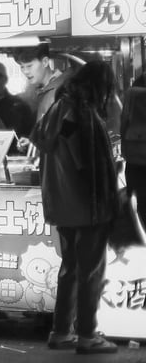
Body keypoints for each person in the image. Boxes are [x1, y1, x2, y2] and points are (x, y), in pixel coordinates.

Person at [32, 60, 119, 354]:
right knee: (90, 270)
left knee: (69, 268)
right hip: (86, 203)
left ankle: (61, 331)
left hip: (62, 204)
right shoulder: (77, 113)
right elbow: (82, 157)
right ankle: (87, 334)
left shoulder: (58, 108)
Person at [13, 44, 72, 152]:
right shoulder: (44, 91)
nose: (25, 72)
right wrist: (33, 142)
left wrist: (43, 143)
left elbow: (69, 131)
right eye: (22, 66)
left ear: (45, 62)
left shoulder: (64, 89)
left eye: (29, 66)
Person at [0, 61, 34, 156]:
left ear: (5, 79)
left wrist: (26, 144)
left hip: (13, 158)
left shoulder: (20, 106)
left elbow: (31, 136)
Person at [123, 74, 146, 232]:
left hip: (136, 160)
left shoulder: (131, 95)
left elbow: (123, 125)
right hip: (136, 161)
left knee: (142, 205)